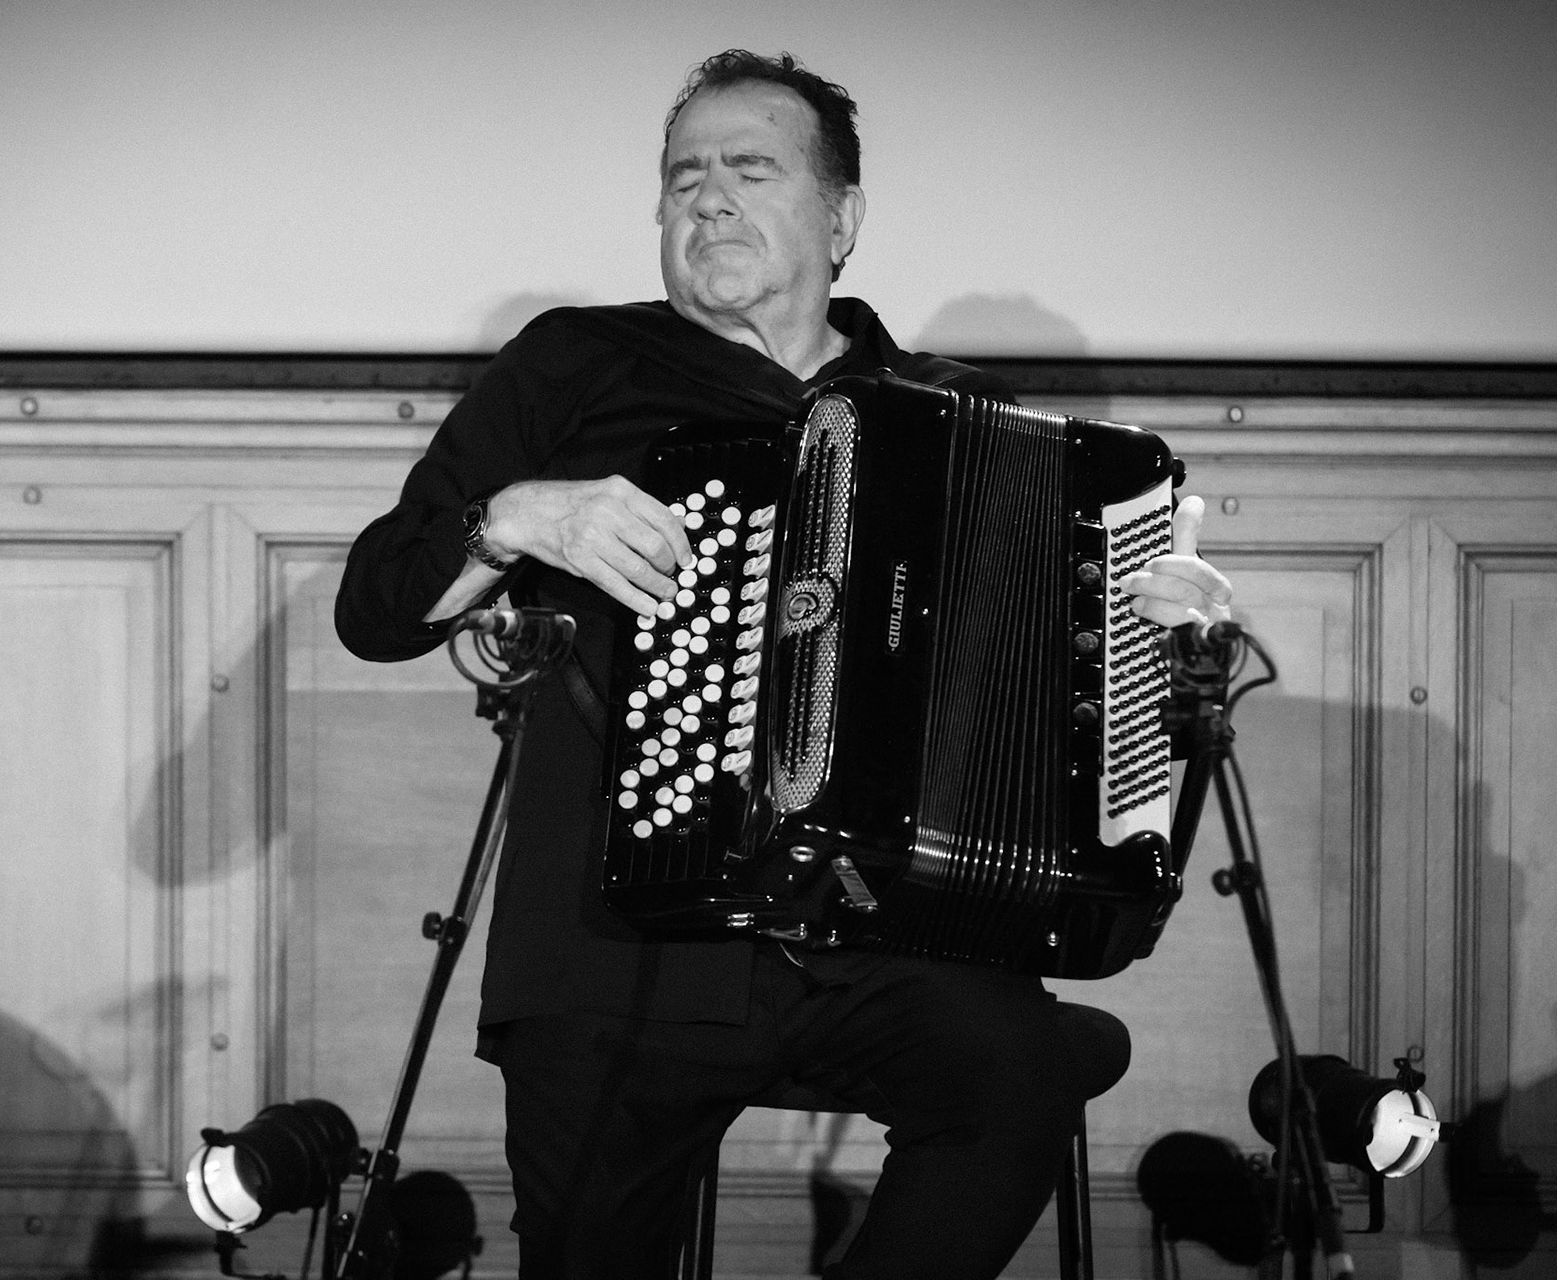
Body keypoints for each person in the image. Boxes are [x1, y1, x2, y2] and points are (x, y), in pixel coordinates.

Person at [335, 49, 1232, 1279]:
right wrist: (517, 519)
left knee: (1015, 1072)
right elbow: (377, 604)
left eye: (748, 169)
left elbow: (1054, 712)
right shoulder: (573, 363)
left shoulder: (953, 410)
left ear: (842, 216)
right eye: (682, 176)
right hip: (620, 942)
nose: (705, 198)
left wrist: (1149, 640)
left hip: (886, 930)